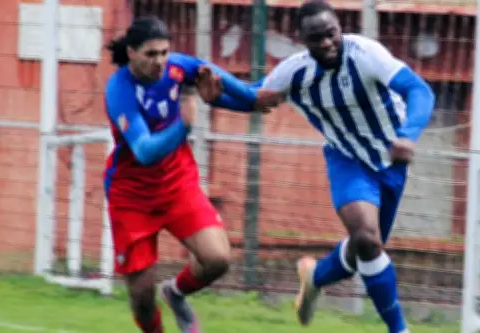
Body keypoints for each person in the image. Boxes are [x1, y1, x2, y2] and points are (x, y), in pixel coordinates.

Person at [215, 1, 436, 332]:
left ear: (340, 28)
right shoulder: (295, 72)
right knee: (367, 239)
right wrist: (213, 95)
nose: (327, 43)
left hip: (390, 161)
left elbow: (419, 89)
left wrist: (408, 135)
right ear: (303, 40)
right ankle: (399, 329)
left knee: (364, 249)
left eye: (331, 34)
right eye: (316, 38)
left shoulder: (365, 54)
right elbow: (252, 97)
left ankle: (315, 276)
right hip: (347, 159)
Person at [103, 16, 260, 333]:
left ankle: (175, 293)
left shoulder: (178, 67)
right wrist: (184, 126)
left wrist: (262, 97)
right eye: (151, 54)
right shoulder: (119, 89)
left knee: (217, 259)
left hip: (176, 183)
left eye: (164, 52)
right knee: (142, 298)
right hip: (132, 197)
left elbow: (233, 89)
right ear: (131, 52)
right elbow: (144, 151)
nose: (160, 61)